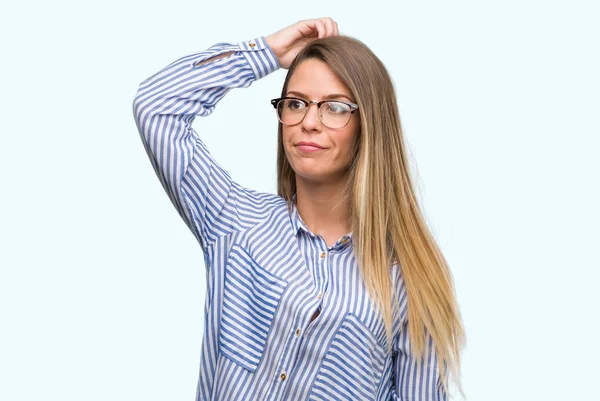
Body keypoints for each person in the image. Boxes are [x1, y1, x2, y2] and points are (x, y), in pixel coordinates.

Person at [132, 17, 465, 401]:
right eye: (296, 103)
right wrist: (267, 53)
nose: (308, 122)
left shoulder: (407, 276)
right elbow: (156, 107)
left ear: (369, 124)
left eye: (335, 108)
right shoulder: (235, 221)